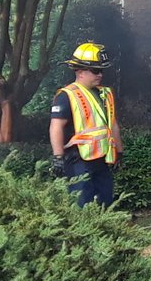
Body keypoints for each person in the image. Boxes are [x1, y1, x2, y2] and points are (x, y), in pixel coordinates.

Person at [50, 42, 122, 208]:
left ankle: (107, 232)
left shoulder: (104, 94)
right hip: (78, 160)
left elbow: (112, 124)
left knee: (106, 201)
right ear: (80, 71)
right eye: (96, 70)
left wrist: (119, 151)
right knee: (82, 203)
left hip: (102, 158)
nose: (100, 75)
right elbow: (56, 127)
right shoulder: (66, 96)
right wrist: (58, 157)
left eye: (102, 70)